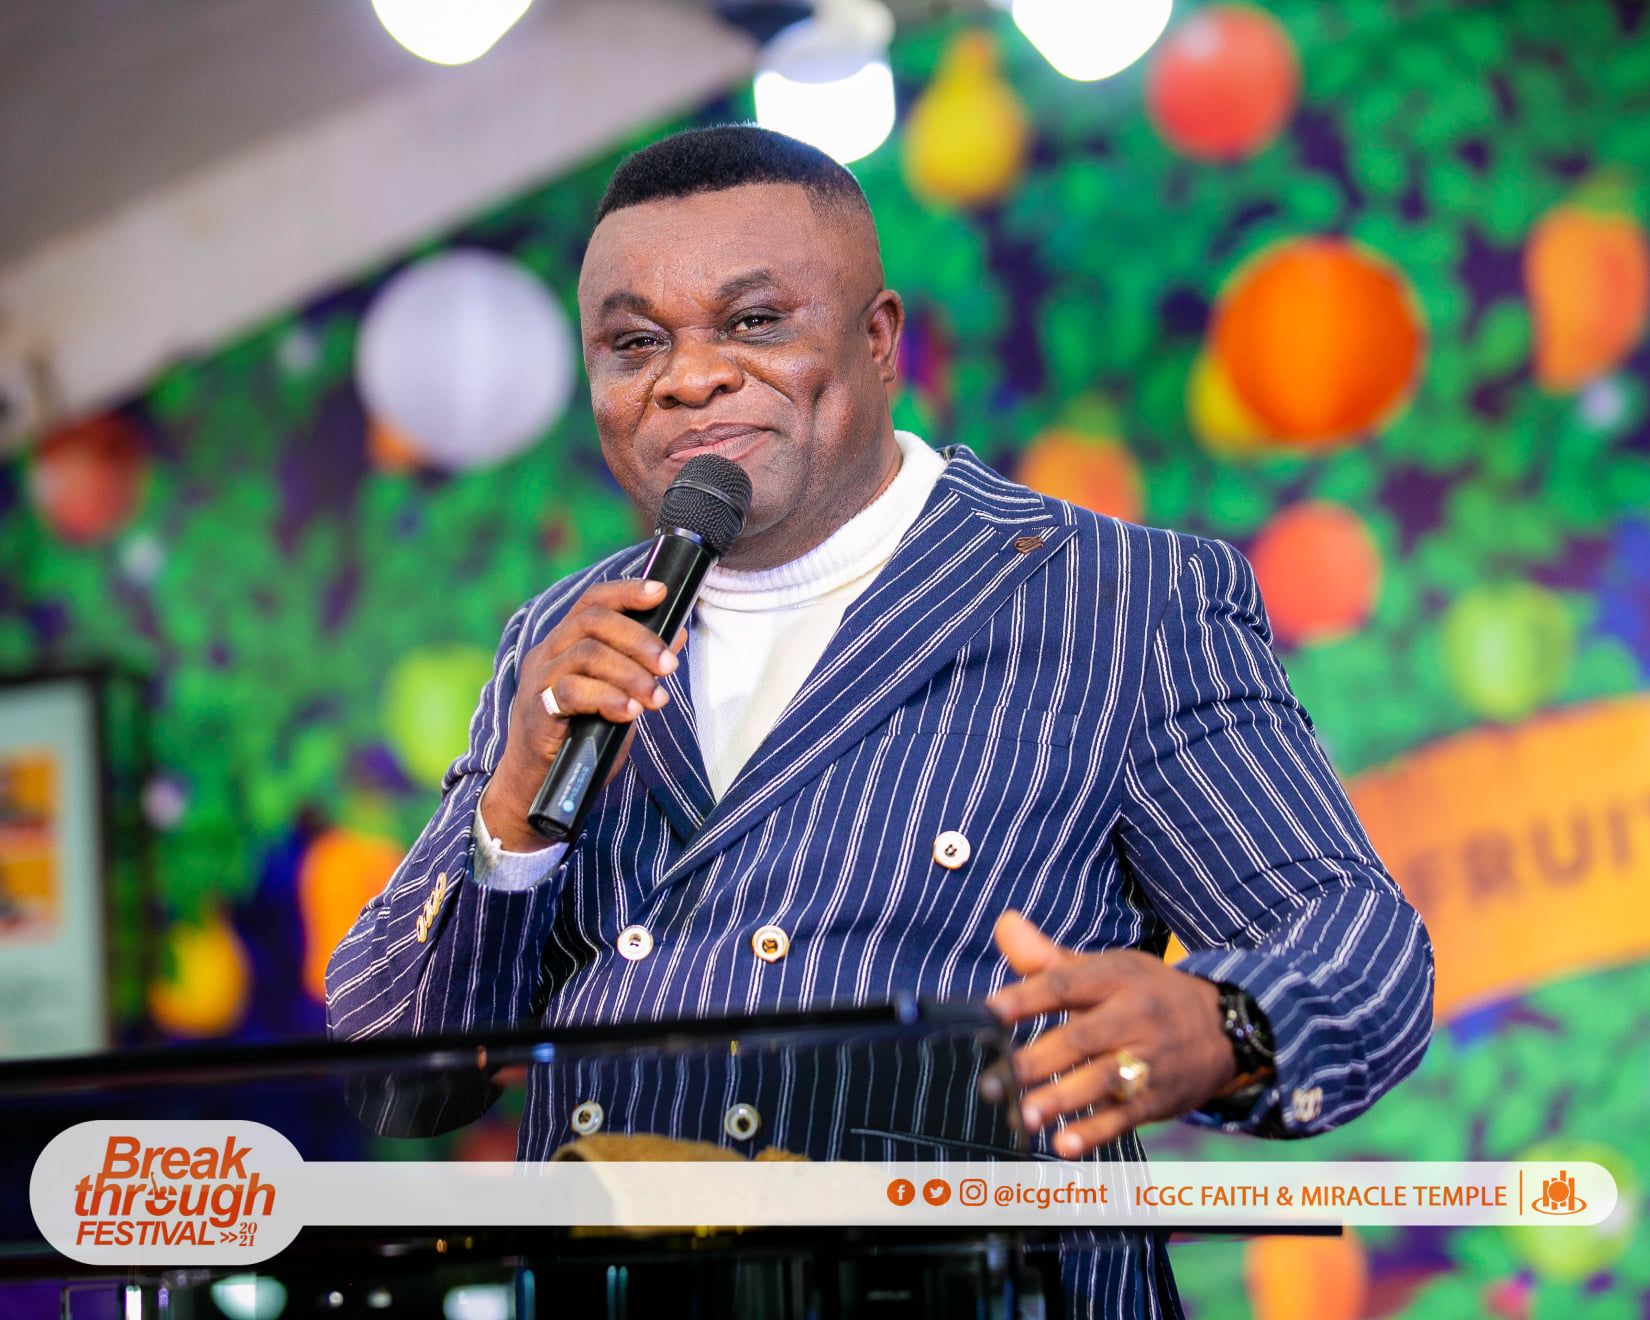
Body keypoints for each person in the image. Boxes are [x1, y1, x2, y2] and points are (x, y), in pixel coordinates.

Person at [327, 125, 1433, 1317]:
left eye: (754, 323)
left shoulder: (1118, 602)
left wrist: (1224, 1024)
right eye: (636, 343)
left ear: (878, 338)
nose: (689, 378)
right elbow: (397, 1076)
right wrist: (511, 814)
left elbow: (1361, 941)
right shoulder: (563, 636)